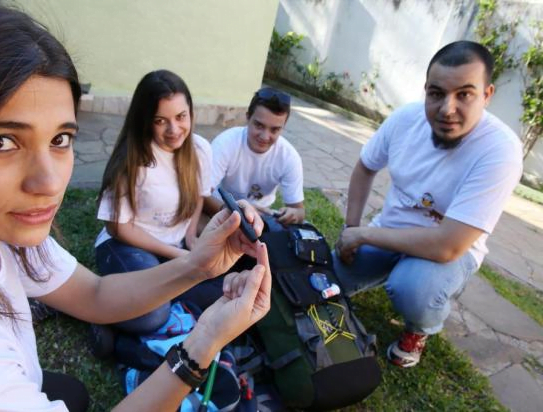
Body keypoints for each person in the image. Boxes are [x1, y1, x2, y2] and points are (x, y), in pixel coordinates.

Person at [0, 2, 271, 411]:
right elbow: (119, 238)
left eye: (60, 140)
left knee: (73, 394)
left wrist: (199, 264)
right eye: (0, 142)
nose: (50, 182)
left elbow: (95, 293)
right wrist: (202, 344)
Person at [334, 40, 523, 368]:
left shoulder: (500, 151)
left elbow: (447, 247)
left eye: (464, 94)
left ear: (487, 95)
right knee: (332, 277)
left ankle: (419, 329)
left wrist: (363, 235)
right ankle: (386, 267)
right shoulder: (406, 119)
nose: (447, 109)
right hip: (392, 230)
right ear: (426, 90)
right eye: (436, 93)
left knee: (413, 288)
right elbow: (365, 167)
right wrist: (352, 226)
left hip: (448, 253)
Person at [95, 70, 215, 327]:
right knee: (153, 314)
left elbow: (198, 198)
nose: (174, 130)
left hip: (176, 248)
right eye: (161, 121)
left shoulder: (200, 150)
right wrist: (177, 254)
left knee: (219, 292)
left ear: (191, 112)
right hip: (127, 247)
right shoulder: (132, 161)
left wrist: (191, 237)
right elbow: (117, 227)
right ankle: (97, 314)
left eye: (181, 117)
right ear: (146, 120)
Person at [204, 87, 305, 229]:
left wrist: (293, 213)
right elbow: (201, 195)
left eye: (274, 130)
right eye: (259, 125)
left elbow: (299, 210)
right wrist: (236, 214)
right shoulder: (225, 143)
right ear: (247, 117)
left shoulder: (289, 157)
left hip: (261, 218)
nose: (265, 136)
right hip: (220, 210)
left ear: (283, 127)